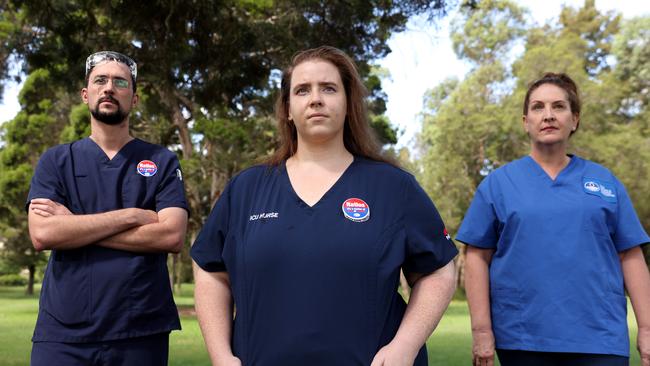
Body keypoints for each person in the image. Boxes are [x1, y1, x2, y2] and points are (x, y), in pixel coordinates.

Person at [191, 45, 458, 366]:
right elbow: (210, 271)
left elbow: (438, 271)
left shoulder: (393, 187)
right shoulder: (246, 188)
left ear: (348, 104)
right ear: (288, 108)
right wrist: (221, 356)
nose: (316, 98)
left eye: (329, 88)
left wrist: (406, 345)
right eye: (302, 90)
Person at [457, 72, 650, 366]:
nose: (548, 115)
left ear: (574, 119)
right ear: (526, 122)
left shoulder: (605, 182)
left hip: (601, 339)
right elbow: (476, 257)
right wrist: (482, 330)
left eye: (559, 106)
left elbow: (631, 255)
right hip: (523, 339)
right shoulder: (498, 185)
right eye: (538, 107)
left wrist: (647, 329)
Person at [26, 51, 189, 366]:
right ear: (86, 94)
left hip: (140, 331)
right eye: (100, 80)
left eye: (120, 82)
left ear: (135, 98)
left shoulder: (161, 161)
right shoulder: (56, 161)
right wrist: (132, 216)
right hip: (64, 334)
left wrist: (74, 227)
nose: (109, 88)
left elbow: (171, 237)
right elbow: (43, 233)